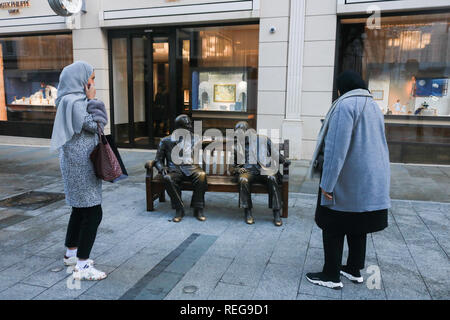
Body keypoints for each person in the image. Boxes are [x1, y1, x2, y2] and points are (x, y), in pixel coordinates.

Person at [306, 70, 390, 289]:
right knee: (358, 224)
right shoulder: (374, 106)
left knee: (332, 225)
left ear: (341, 89)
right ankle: (354, 269)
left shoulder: (344, 105)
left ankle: (331, 275)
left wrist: (327, 183)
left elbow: (335, 149)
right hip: (368, 179)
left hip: (346, 178)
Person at [50, 61, 108, 281]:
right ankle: (82, 266)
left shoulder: (66, 100)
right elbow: (98, 125)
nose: (91, 84)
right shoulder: (76, 102)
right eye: (89, 79)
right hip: (81, 165)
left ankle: (71, 254)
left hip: (75, 162)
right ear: (79, 80)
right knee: (93, 213)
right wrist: (93, 100)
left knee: (79, 210)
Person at [231, 121, 290, 226]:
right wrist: (237, 170)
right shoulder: (237, 146)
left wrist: (284, 161)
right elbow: (232, 166)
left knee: (272, 178)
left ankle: (276, 212)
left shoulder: (263, 139)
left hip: (265, 170)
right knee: (243, 179)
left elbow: (275, 154)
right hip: (248, 171)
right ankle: (247, 211)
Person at [154, 114, 207, 222]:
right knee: (168, 178)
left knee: (201, 175)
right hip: (174, 169)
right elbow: (157, 160)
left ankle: (198, 208)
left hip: (192, 167)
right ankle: (179, 209)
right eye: (187, 124)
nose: (190, 126)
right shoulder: (165, 141)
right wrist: (161, 167)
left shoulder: (196, 138)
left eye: (190, 124)